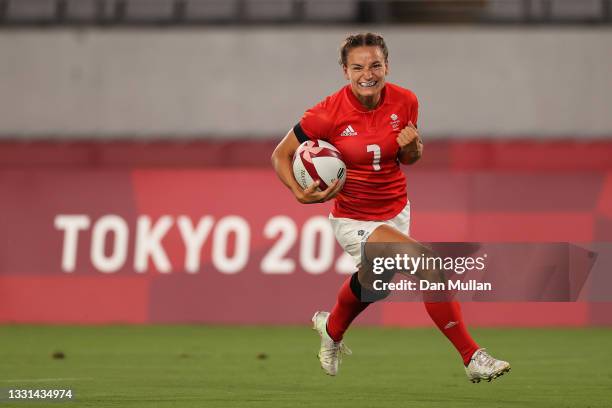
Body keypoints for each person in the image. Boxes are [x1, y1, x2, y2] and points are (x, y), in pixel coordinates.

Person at [271, 32, 510, 382]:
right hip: (354, 219)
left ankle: (332, 328)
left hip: (396, 211)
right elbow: (280, 154)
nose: (367, 73)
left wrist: (415, 145)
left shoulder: (406, 101)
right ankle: (472, 357)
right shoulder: (325, 114)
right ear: (344, 71)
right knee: (430, 266)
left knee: (374, 285)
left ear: (387, 66)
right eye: (357, 67)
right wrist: (298, 191)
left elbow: (409, 158)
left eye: (375, 65)